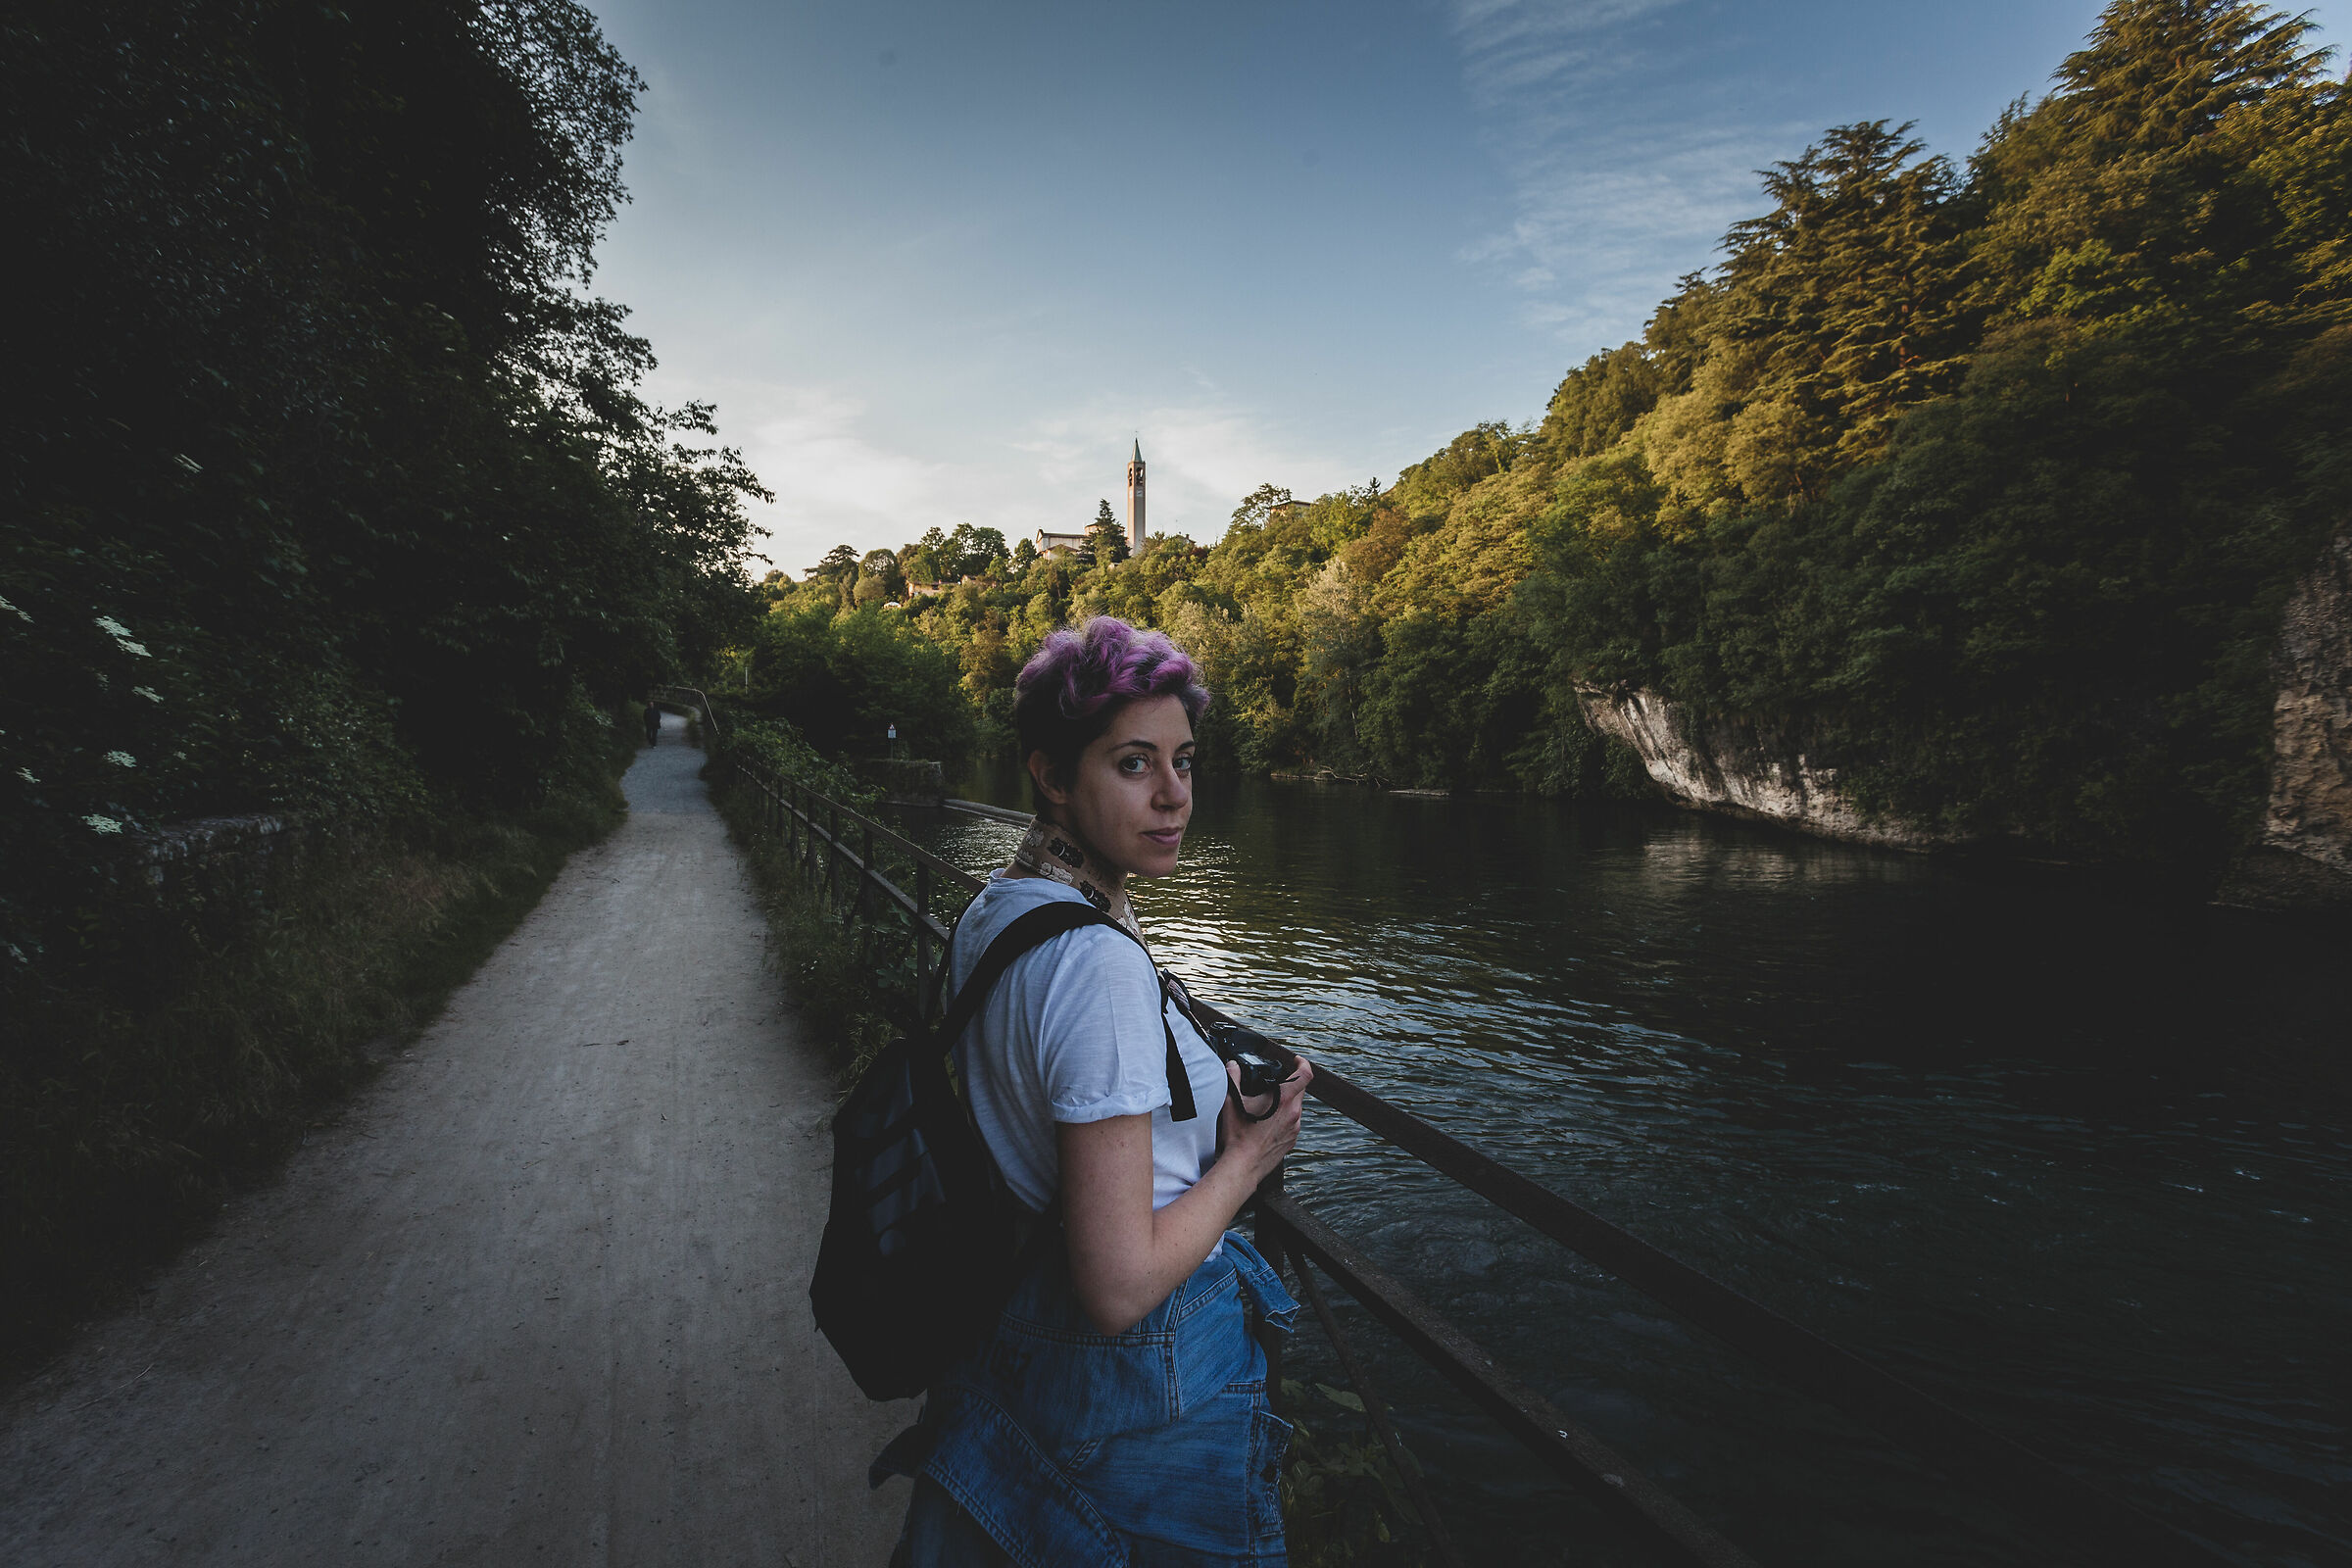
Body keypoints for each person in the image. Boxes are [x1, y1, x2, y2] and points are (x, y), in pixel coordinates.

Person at [878, 616, 1313, 1567]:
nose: (1174, 797)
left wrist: (1203, 1111)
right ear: (1049, 771)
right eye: (1132, 764)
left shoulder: (1005, 907)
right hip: (1146, 1391)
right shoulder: (1094, 961)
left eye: (1185, 761)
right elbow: (1116, 1285)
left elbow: (1051, 1102)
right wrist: (1246, 1157)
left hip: (1023, 1342)